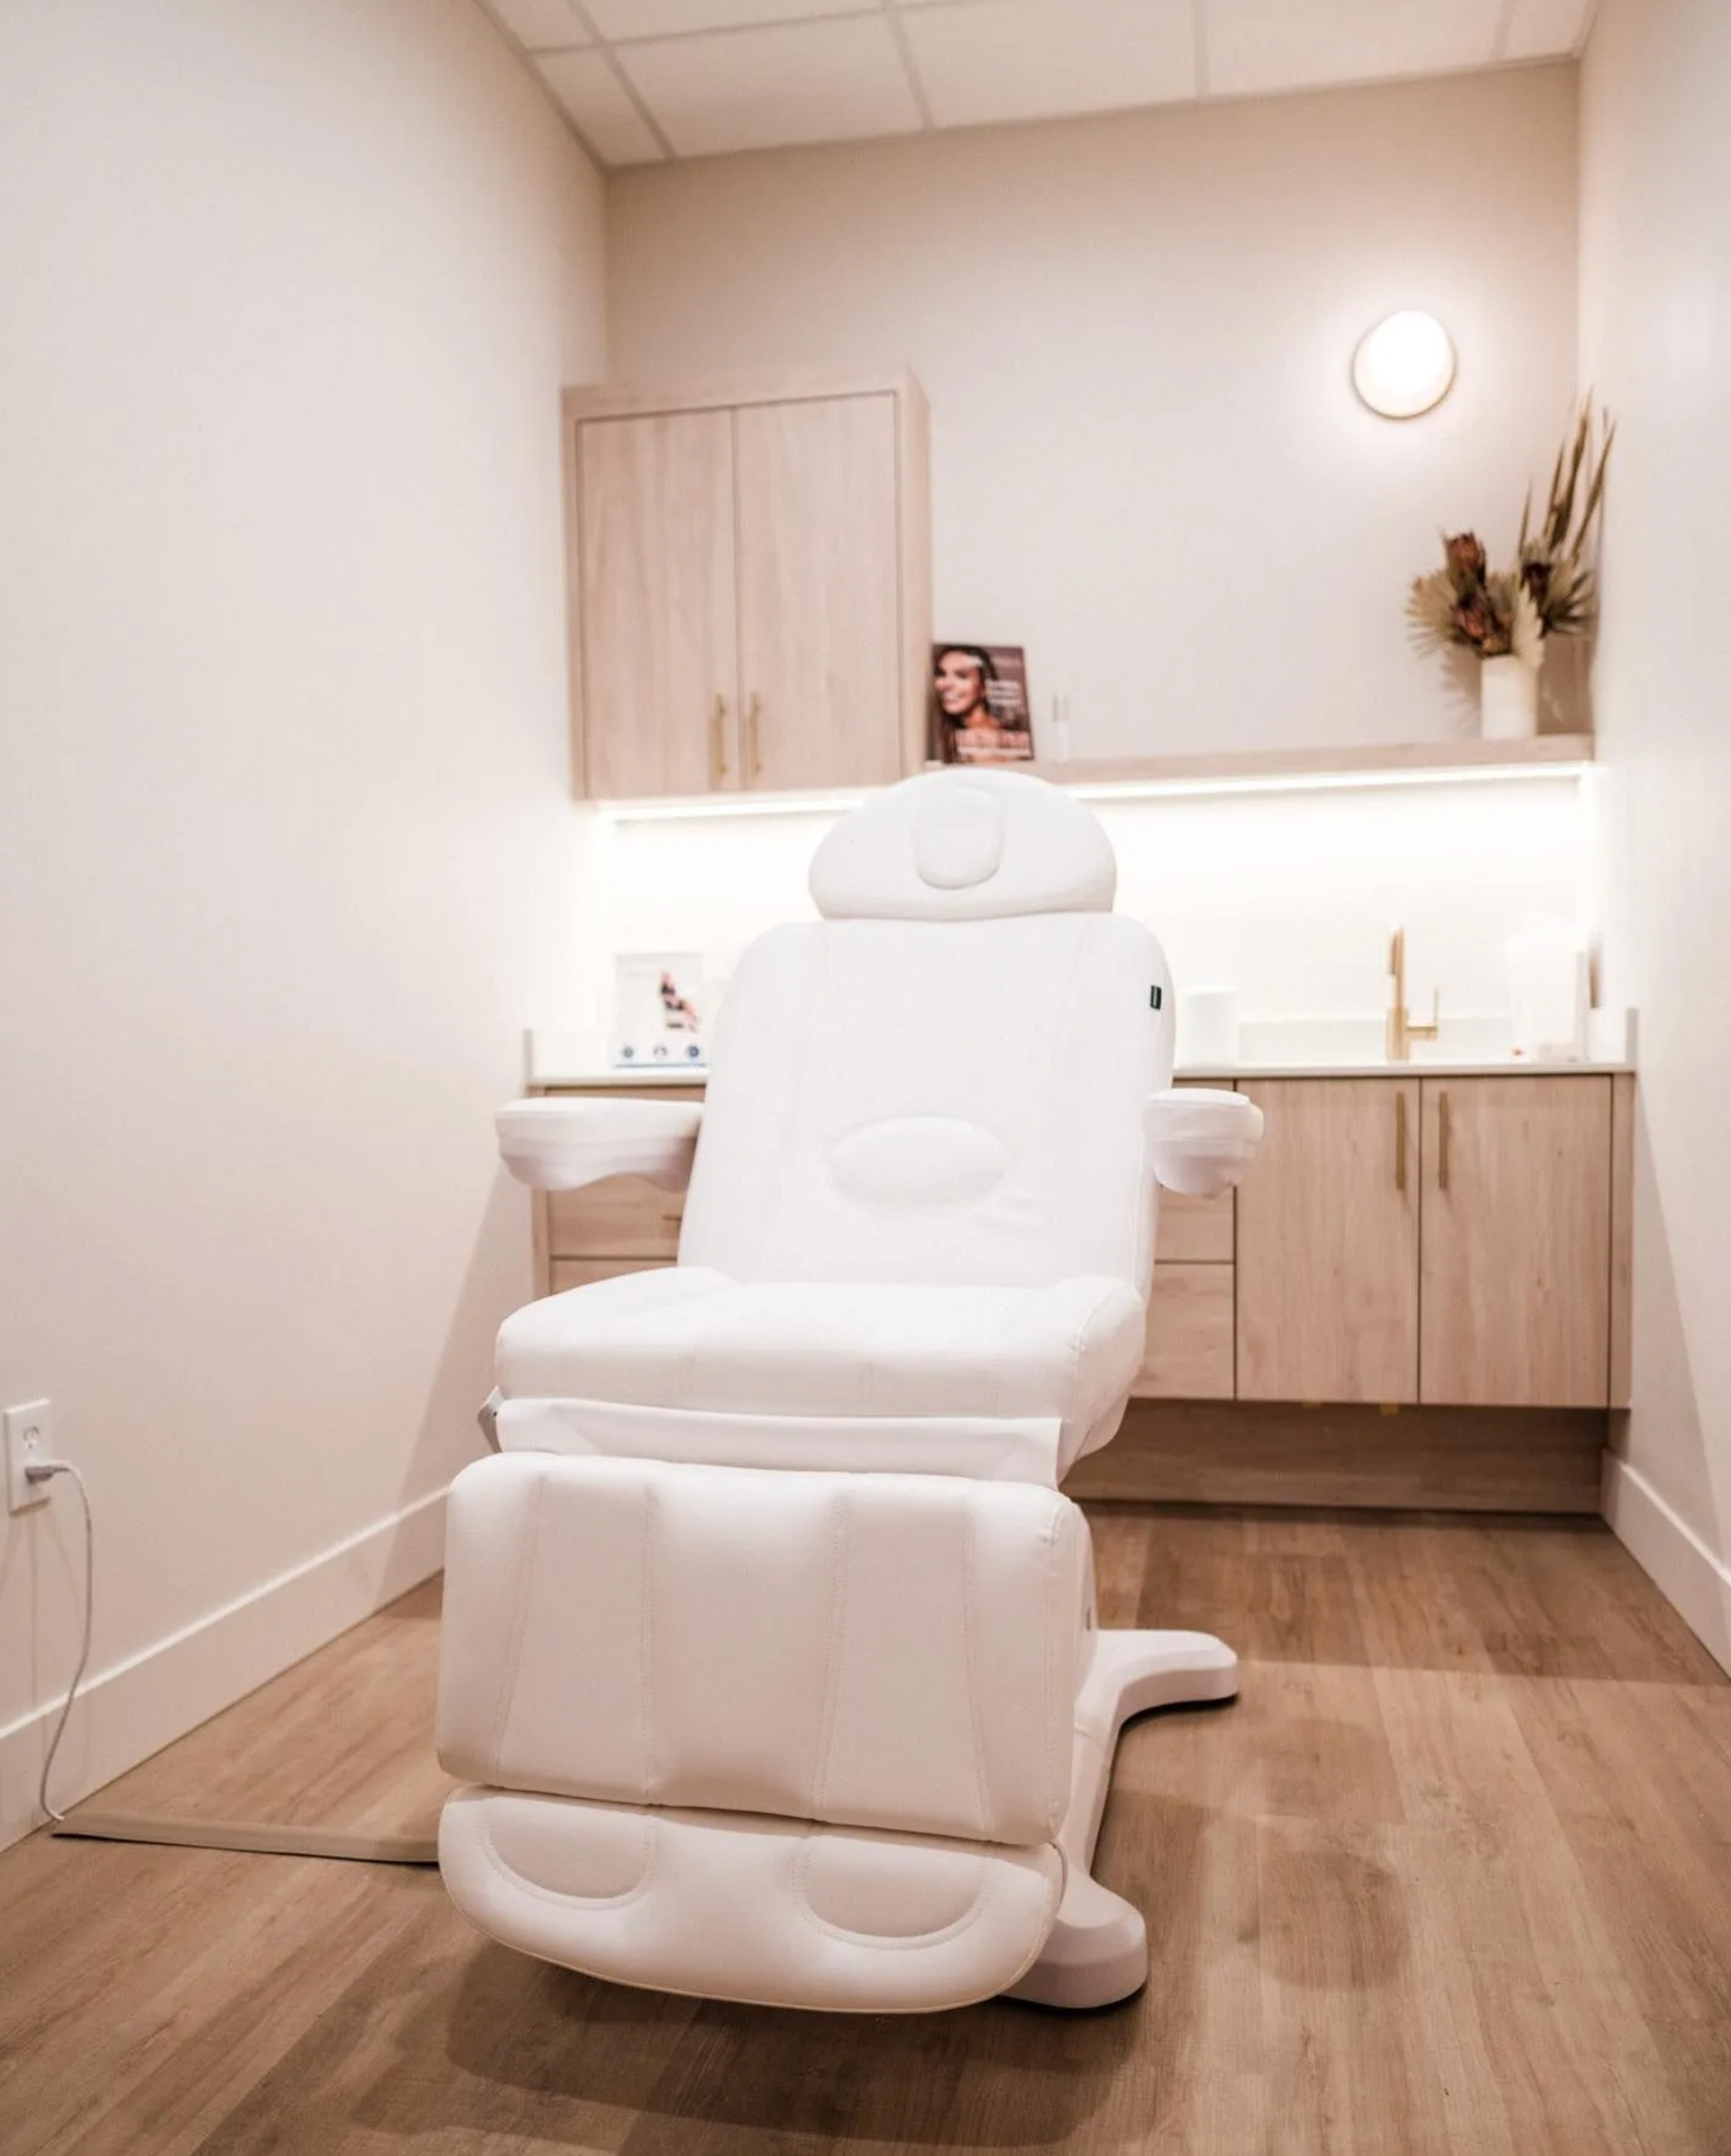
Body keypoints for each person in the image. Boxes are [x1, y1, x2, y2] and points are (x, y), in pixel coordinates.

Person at [932, 645, 1031, 763]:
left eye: (962, 676)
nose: (946, 684)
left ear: (984, 688)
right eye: (941, 674)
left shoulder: (980, 736)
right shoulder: (956, 731)